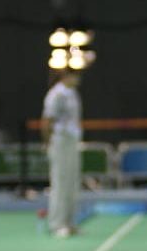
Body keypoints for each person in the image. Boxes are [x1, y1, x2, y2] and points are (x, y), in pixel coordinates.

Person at [42, 70, 83, 238]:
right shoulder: (55, 94)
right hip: (59, 142)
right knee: (60, 183)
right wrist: (48, 143)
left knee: (72, 182)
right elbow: (47, 121)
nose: (78, 78)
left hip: (72, 140)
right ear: (65, 76)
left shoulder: (72, 93)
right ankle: (56, 224)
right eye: (74, 75)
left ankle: (70, 222)